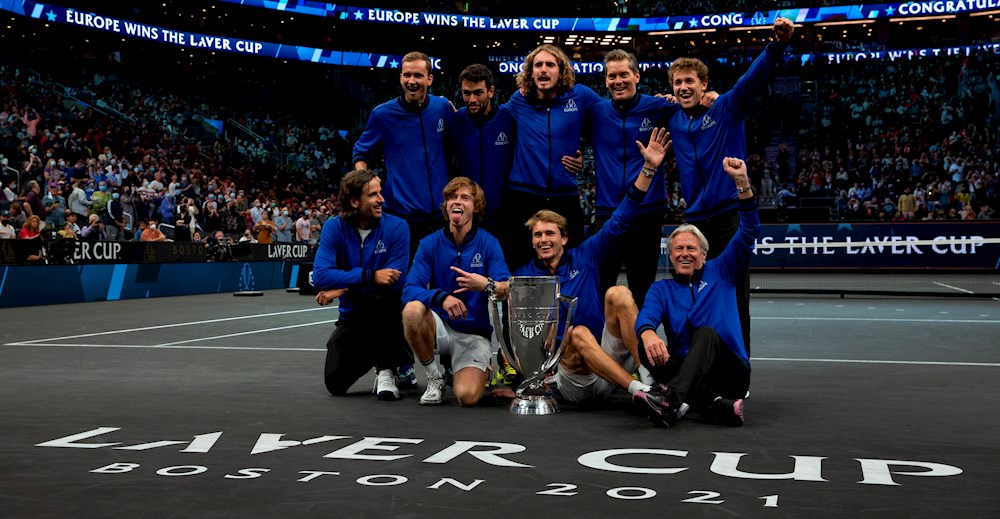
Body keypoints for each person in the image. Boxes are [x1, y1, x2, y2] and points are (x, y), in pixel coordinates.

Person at [512, 128, 670, 407]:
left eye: (550, 234)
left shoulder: (586, 255)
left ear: (564, 238)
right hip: (573, 372)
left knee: (618, 294)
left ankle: (650, 381)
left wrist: (648, 169)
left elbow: (623, 217)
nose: (544, 240)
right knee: (578, 332)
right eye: (538, 235)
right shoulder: (526, 277)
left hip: (606, 355)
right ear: (532, 242)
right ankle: (640, 392)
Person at [665, 17, 794, 356]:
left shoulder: (726, 108)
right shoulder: (673, 117)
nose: (683, 87)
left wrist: (777, 45)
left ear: (703, 83)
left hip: (729, 217)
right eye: (677, 83)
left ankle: (739, 370)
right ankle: (696, 365)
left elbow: (752, 80)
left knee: (734, 294)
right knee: (693, 293)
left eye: (689, 81)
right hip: (694, 220)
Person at [632, 157, 758, 428]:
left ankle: (669, 400)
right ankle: (714, 406)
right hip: (689, 371)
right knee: (646, 348)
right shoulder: (661, 289)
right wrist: (647, 332)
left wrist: (742, 185)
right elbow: (646, 316)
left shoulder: (722, 270)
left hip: (730, 371)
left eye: (691, 249)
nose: (685, 254)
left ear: (704, 253)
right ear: (671, 255)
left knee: (706, 333)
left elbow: (749, 231)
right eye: (679, 249)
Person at [402, 177, 511, 406]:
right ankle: (435, 376)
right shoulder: (429, 244)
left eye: (465, 197)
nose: (457, 202)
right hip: (439, 326)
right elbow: (409, 289)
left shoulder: (488, 243)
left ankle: (483, 369)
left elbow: (505, 288)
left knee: (467, 397)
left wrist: (485, 285)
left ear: (476, 206)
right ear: (446, 205)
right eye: (452, 197)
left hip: (472, 332)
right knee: (412, 311)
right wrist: (440, 298)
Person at [445, 63, 583, 234]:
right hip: (468, 217)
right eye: (467, 93)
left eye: (478, 93)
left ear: (491, 91)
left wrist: (573, 156)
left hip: (508, 216)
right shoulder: (454, 122)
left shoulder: (509, 117)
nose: (472, 99)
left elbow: (541, 141)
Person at [311, 169, 412, 400]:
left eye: (381, 192)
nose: (381, 199)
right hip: (353, 317)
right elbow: (321, 276)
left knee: (380, 298)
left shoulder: (397, 227)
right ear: (354, 201)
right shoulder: (334, 228)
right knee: (335, 383)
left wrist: (343, 286)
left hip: (388, 313)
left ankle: (387, 369)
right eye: (373, 195)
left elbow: (396, 281)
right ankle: (393, 354)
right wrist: (369, 277)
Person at [503, 44, 602, 269]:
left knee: (573, 264)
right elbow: (491, 119)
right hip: (523, 196)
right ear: (530, 72)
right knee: (520, 265)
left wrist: (584, 159)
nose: (543, 70)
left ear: (561, 70)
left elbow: (612, 113)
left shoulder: (581, 96)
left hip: (564, 196)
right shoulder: (518, 101)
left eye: (550, 64)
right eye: (538, 65)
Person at [353, 51, 451, 256]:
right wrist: (364, 182)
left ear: (430, 79)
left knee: (441, 282)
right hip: (400, 217)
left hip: (441, 217)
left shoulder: (442, 107)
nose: (412, 81)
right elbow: (361, 152)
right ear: (400, 77)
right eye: (407, 75)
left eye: (418, 75)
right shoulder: (382, 114)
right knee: (401, 282)